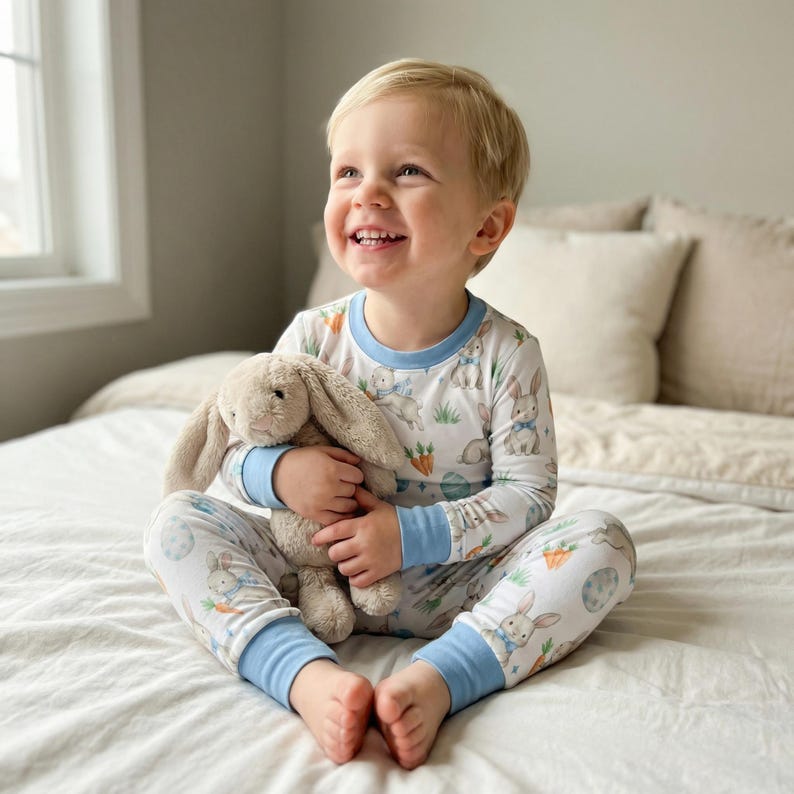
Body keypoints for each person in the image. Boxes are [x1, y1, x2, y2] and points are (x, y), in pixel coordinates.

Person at [145, 59, 636, 770]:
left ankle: (441, 678)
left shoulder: (509, 354)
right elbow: (233, 452)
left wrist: (409, 536)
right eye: (347, 172)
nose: (367, 192)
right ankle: (303, 675)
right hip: (317, 572)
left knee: (602, 542)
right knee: (176, 523)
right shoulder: (314, 337)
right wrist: (280, 475)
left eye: (406, 171)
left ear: (487, 226)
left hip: (459, 580)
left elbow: (531, 496)